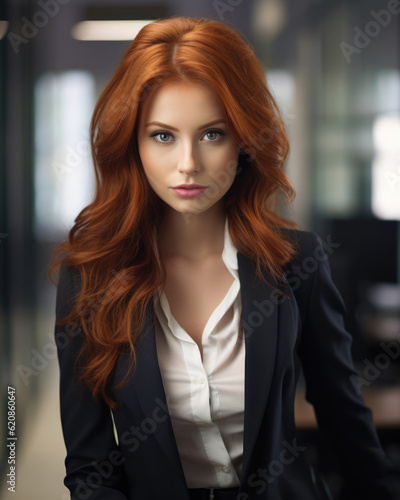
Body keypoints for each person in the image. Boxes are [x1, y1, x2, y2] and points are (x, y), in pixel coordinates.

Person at [50, 15, 400, 500]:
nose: (188, 163)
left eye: (212, 134)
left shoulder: (294, 261)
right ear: (132, 144)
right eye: (163, 136)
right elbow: (89, 471)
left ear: (244, 140)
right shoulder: (89, 275)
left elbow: (344, 419)